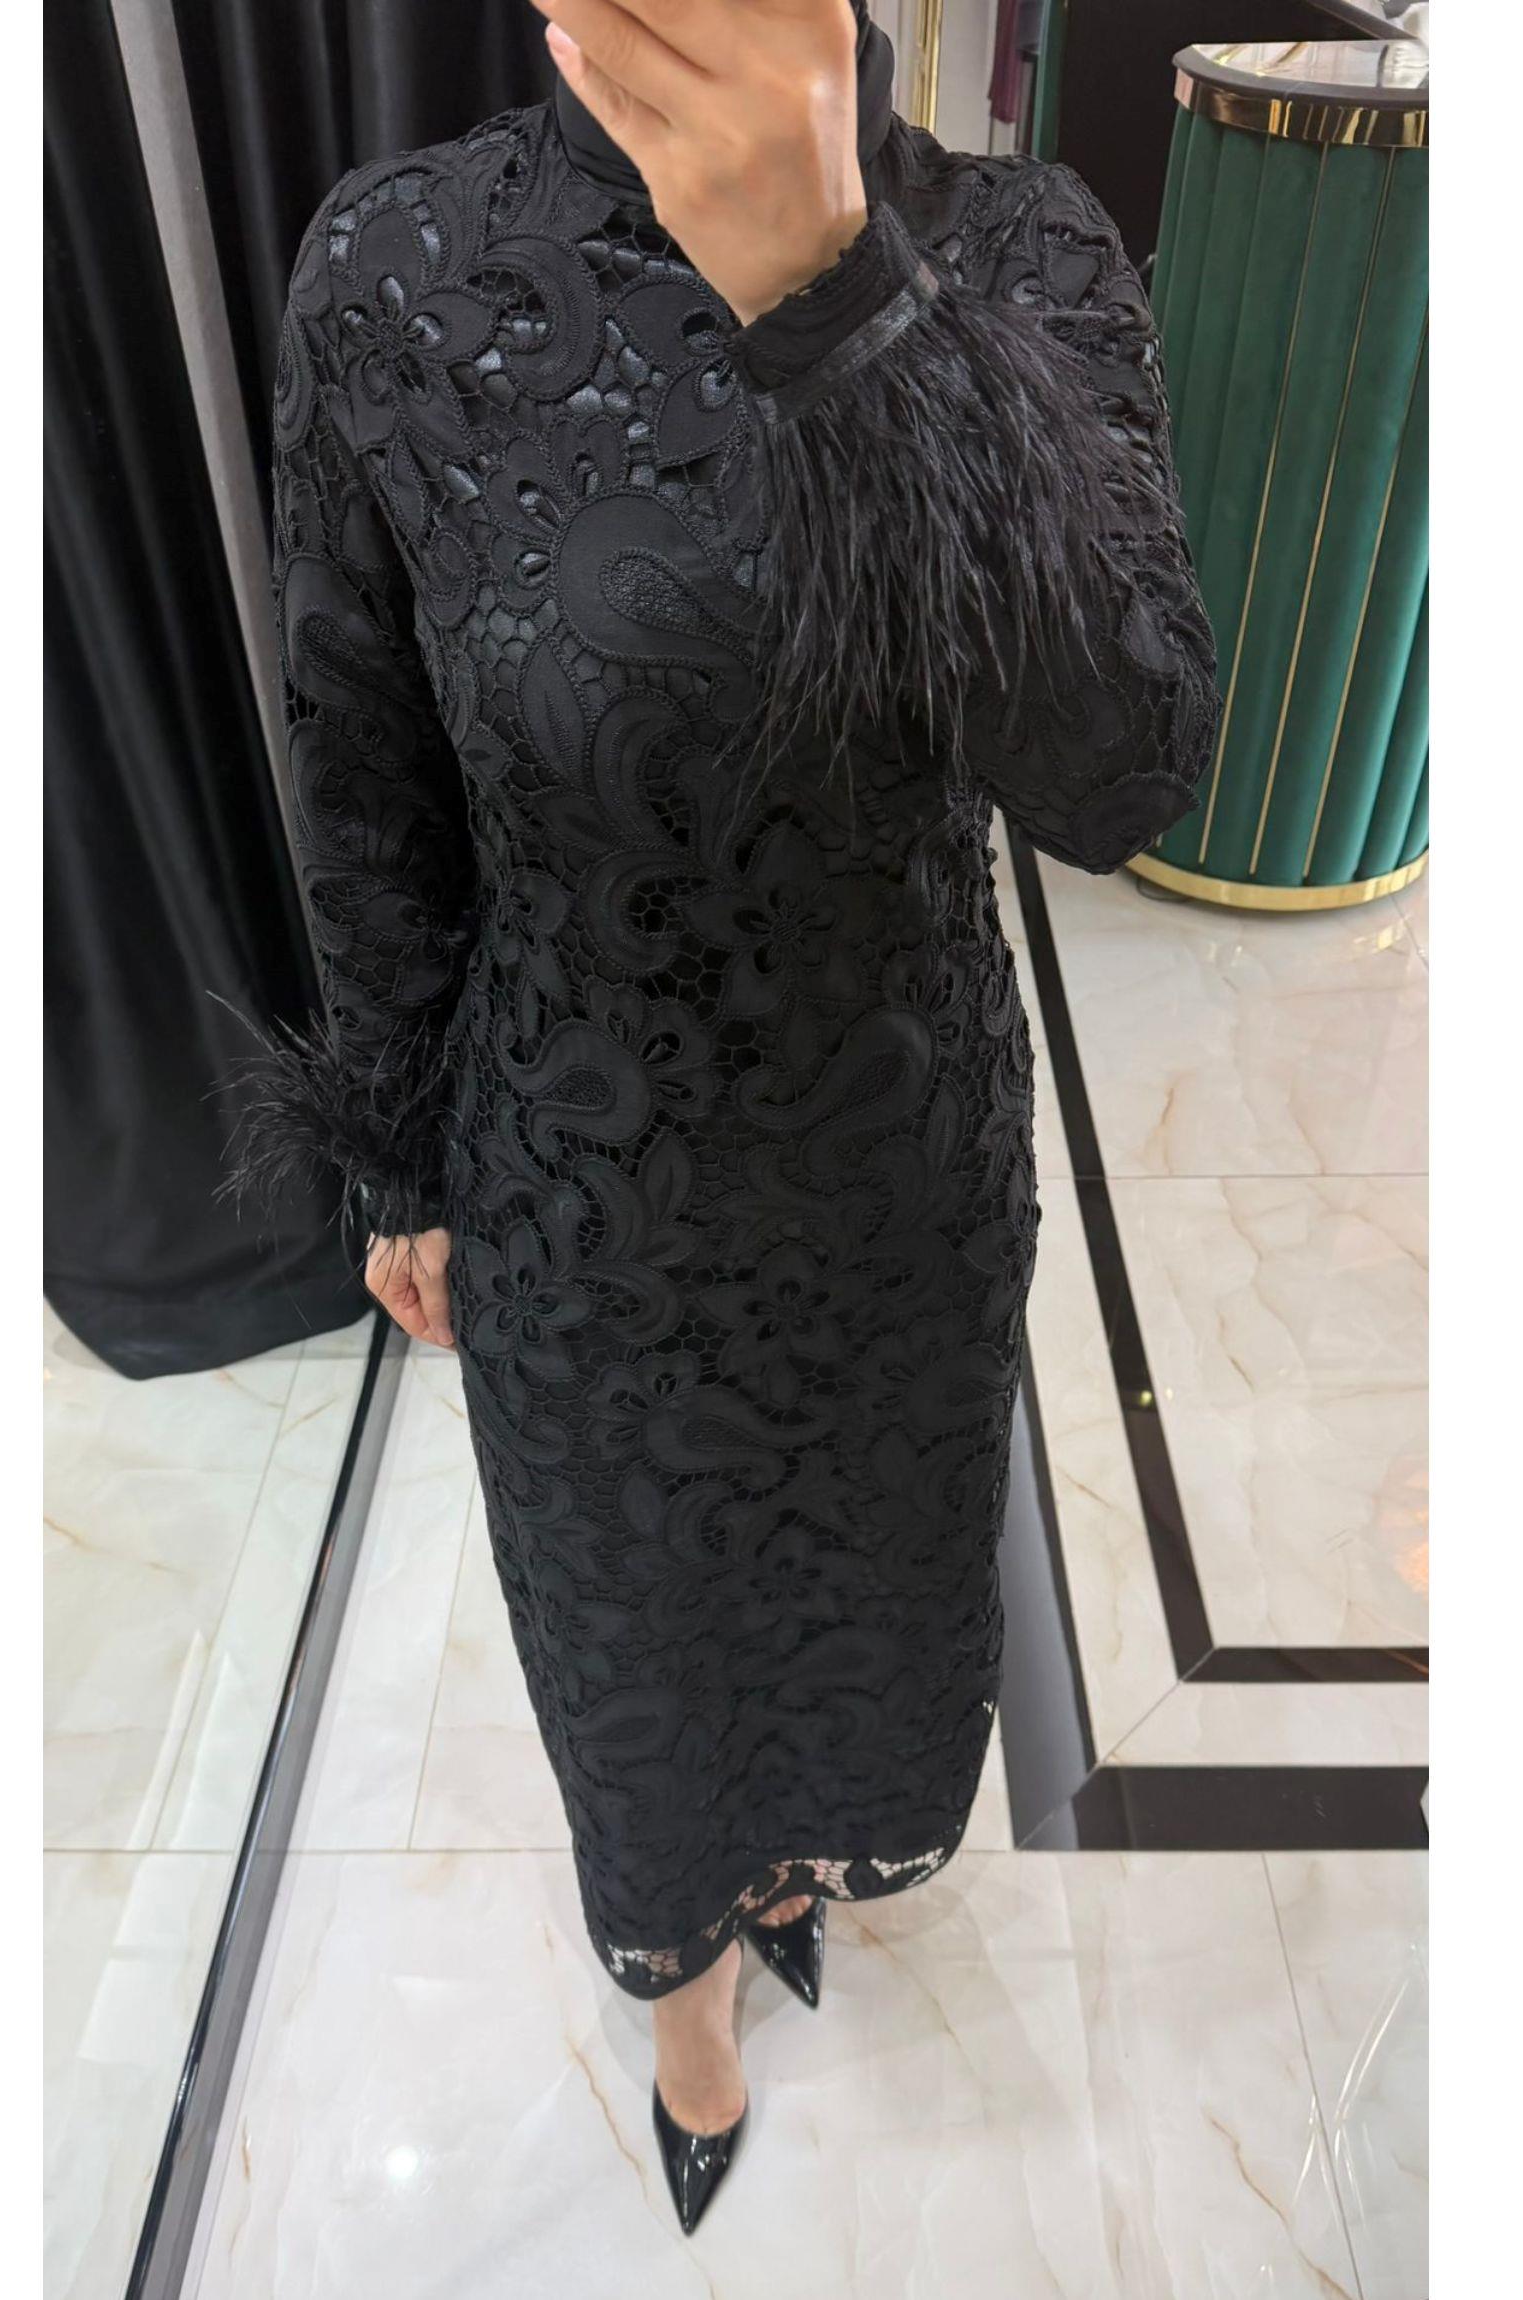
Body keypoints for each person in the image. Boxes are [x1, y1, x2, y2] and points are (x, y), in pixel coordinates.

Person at [229, 0, 1219, 2234]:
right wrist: (395, 1144)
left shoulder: (1025, 251)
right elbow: (364, 761)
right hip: (589, 1201)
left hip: (898, 1181)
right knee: (640, 1646)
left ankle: (803, 1869)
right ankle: (685, 1991)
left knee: (867, 1600)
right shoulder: (398, 271)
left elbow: (1128, 774)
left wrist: (851, 307)